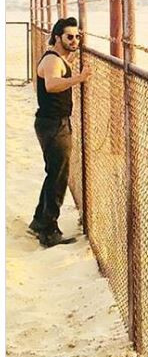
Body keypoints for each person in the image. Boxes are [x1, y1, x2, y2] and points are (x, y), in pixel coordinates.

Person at [28, 17, 92, 247]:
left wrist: (72, 61)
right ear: (57, 37)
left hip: (54, 123)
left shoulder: (58, 58)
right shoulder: (53, 60)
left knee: (54, 173)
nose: (75, 41)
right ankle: (49, 232)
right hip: (54, 125)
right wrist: (79, 78)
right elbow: (52, 84)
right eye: (70, 37)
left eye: (77, 37)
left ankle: (39, 222)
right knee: (58, 177)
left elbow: (61, 69)